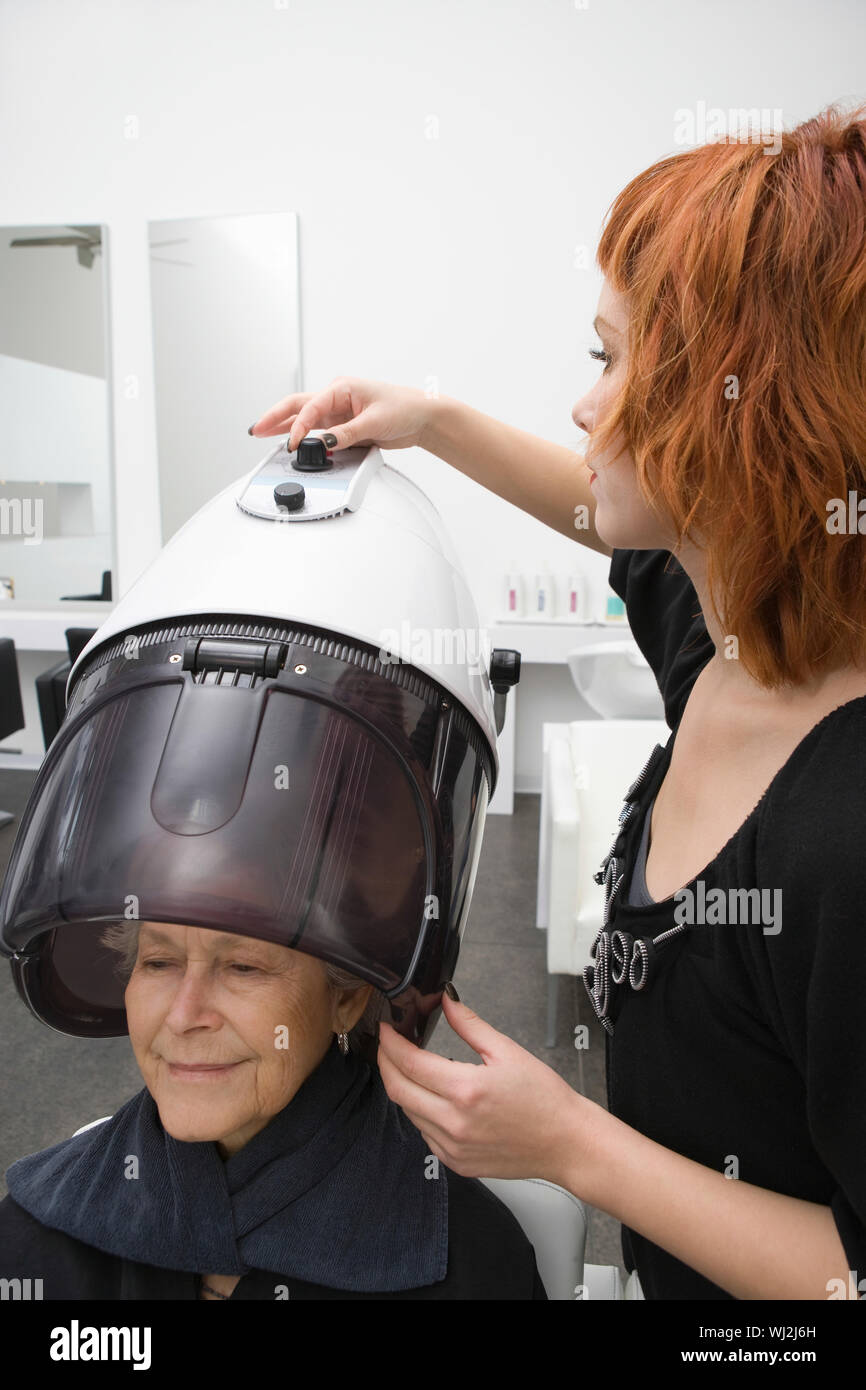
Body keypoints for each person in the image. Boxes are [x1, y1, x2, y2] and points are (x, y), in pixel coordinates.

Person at [248, 102, 866, 1300]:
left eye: (613, 359)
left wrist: (569, 1146)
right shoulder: (728, 637)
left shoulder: (842, 824)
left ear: (753, 409)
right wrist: (423, 421)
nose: (587, 407)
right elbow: (600, 507)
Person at [0, 920, 547, 1300]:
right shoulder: (33, 1234)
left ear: (346, 998)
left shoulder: (467, 1262)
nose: (183, 1015)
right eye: (159, 961)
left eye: (242, 967)